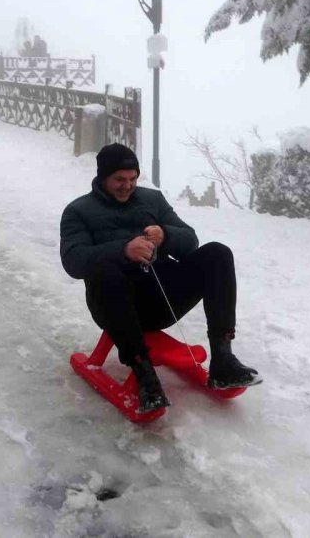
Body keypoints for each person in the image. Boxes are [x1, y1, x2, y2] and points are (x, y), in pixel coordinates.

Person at [59, 144, 261, 414]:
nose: (127, 186)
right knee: (106, 271)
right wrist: (123, 250)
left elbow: (190, 241)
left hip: (160, 301)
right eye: (119, 179)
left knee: (217, 254)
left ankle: (223, 361)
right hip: (113, 304)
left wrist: (166, 235)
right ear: (102, 177)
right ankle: (145, 377)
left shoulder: (152, 200)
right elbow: (74, 261)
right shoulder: (78, 211)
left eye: (132, 179)